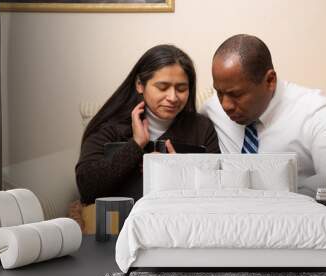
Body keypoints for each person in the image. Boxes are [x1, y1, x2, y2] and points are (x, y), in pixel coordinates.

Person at [200, 34, 326, 205]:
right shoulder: (211, 110)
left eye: (236, 94)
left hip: (301, 221)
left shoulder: (316, 110)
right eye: (219, 92)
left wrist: (272, 196)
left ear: (270, 81)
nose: (225, 105)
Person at [76, 44, 220, 204]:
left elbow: (217, 187)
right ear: (140, 85)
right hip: (123, 225)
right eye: (162, 87)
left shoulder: (202, 128)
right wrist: (135, 146)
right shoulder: (111, 127)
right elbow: (86, 188)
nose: (172, 97)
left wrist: (180, 172)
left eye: (181, 88)